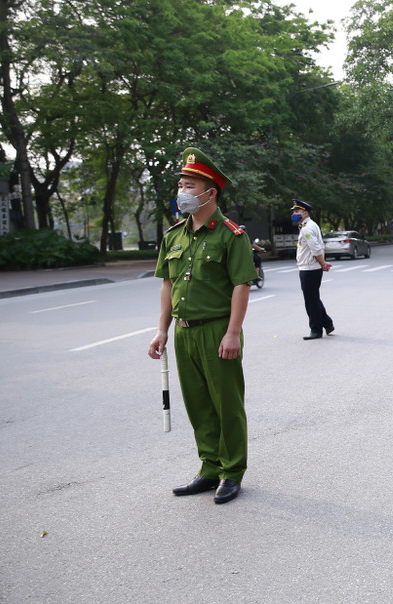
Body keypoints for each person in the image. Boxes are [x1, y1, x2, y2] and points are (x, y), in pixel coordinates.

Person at [147, 147, 257, 504]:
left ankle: (232, 471)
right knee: (198, 403)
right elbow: (168, 284)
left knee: (227, 404)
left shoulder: (230, 235)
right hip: (184, 331)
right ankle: (210, 468)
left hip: (217, 330)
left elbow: (241, 285)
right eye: (181, 185)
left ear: (210, 193)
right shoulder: (174, 236)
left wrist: (232, 332)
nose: (182, 191)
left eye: (189, 185)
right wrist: (162, 330)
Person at [291, 199, 334, 340]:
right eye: (294, 211)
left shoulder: (307, 228)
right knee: (313, 298)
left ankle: (316, 330)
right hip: (311, 267)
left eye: (297, 211)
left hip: (309, 268)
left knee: (311, 301)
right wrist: (322, 263)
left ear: (305, 213)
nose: (294, 214)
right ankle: (327, 323)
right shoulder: (309, 225)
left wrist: (323, 263)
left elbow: (315, 248)